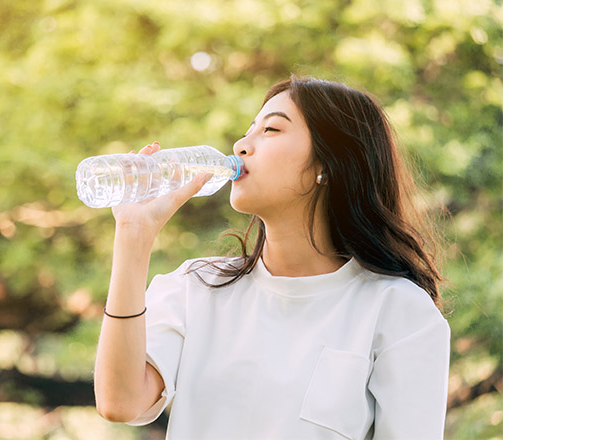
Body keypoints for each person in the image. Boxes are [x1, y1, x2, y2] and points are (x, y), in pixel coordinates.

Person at [93, 75, 452, 439]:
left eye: (272, 129)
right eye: (249, 130)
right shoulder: (197, 287)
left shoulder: (399, 311)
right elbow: (120, 402)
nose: (241, 145)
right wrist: (132, 237)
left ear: (325, 165)